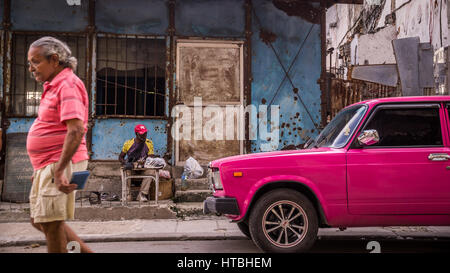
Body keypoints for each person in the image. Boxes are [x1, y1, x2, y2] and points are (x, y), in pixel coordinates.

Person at [26, 36, 92, 253]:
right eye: (30, 63)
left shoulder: (67, 84)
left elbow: (76, 129)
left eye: (35, 61)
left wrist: (59, 170)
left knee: (52, 225)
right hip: (49, 163)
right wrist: (41, 168)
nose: (31, 68)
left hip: (60, 162)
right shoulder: (53, 85)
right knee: (40, 220)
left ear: (54, 59)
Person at [119, 124, 155, 202]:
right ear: (136, 134)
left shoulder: (149, 143)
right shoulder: (128, 143)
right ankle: (127, 195)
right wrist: (126, 162)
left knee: (152, 170)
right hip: (132, 168)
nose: (144, 136)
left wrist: (144, 162)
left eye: (145, 133)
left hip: (143, 168)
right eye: (142, 134)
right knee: (124, 171)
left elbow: (151, 157)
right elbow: (120, 157)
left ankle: (142, 195)